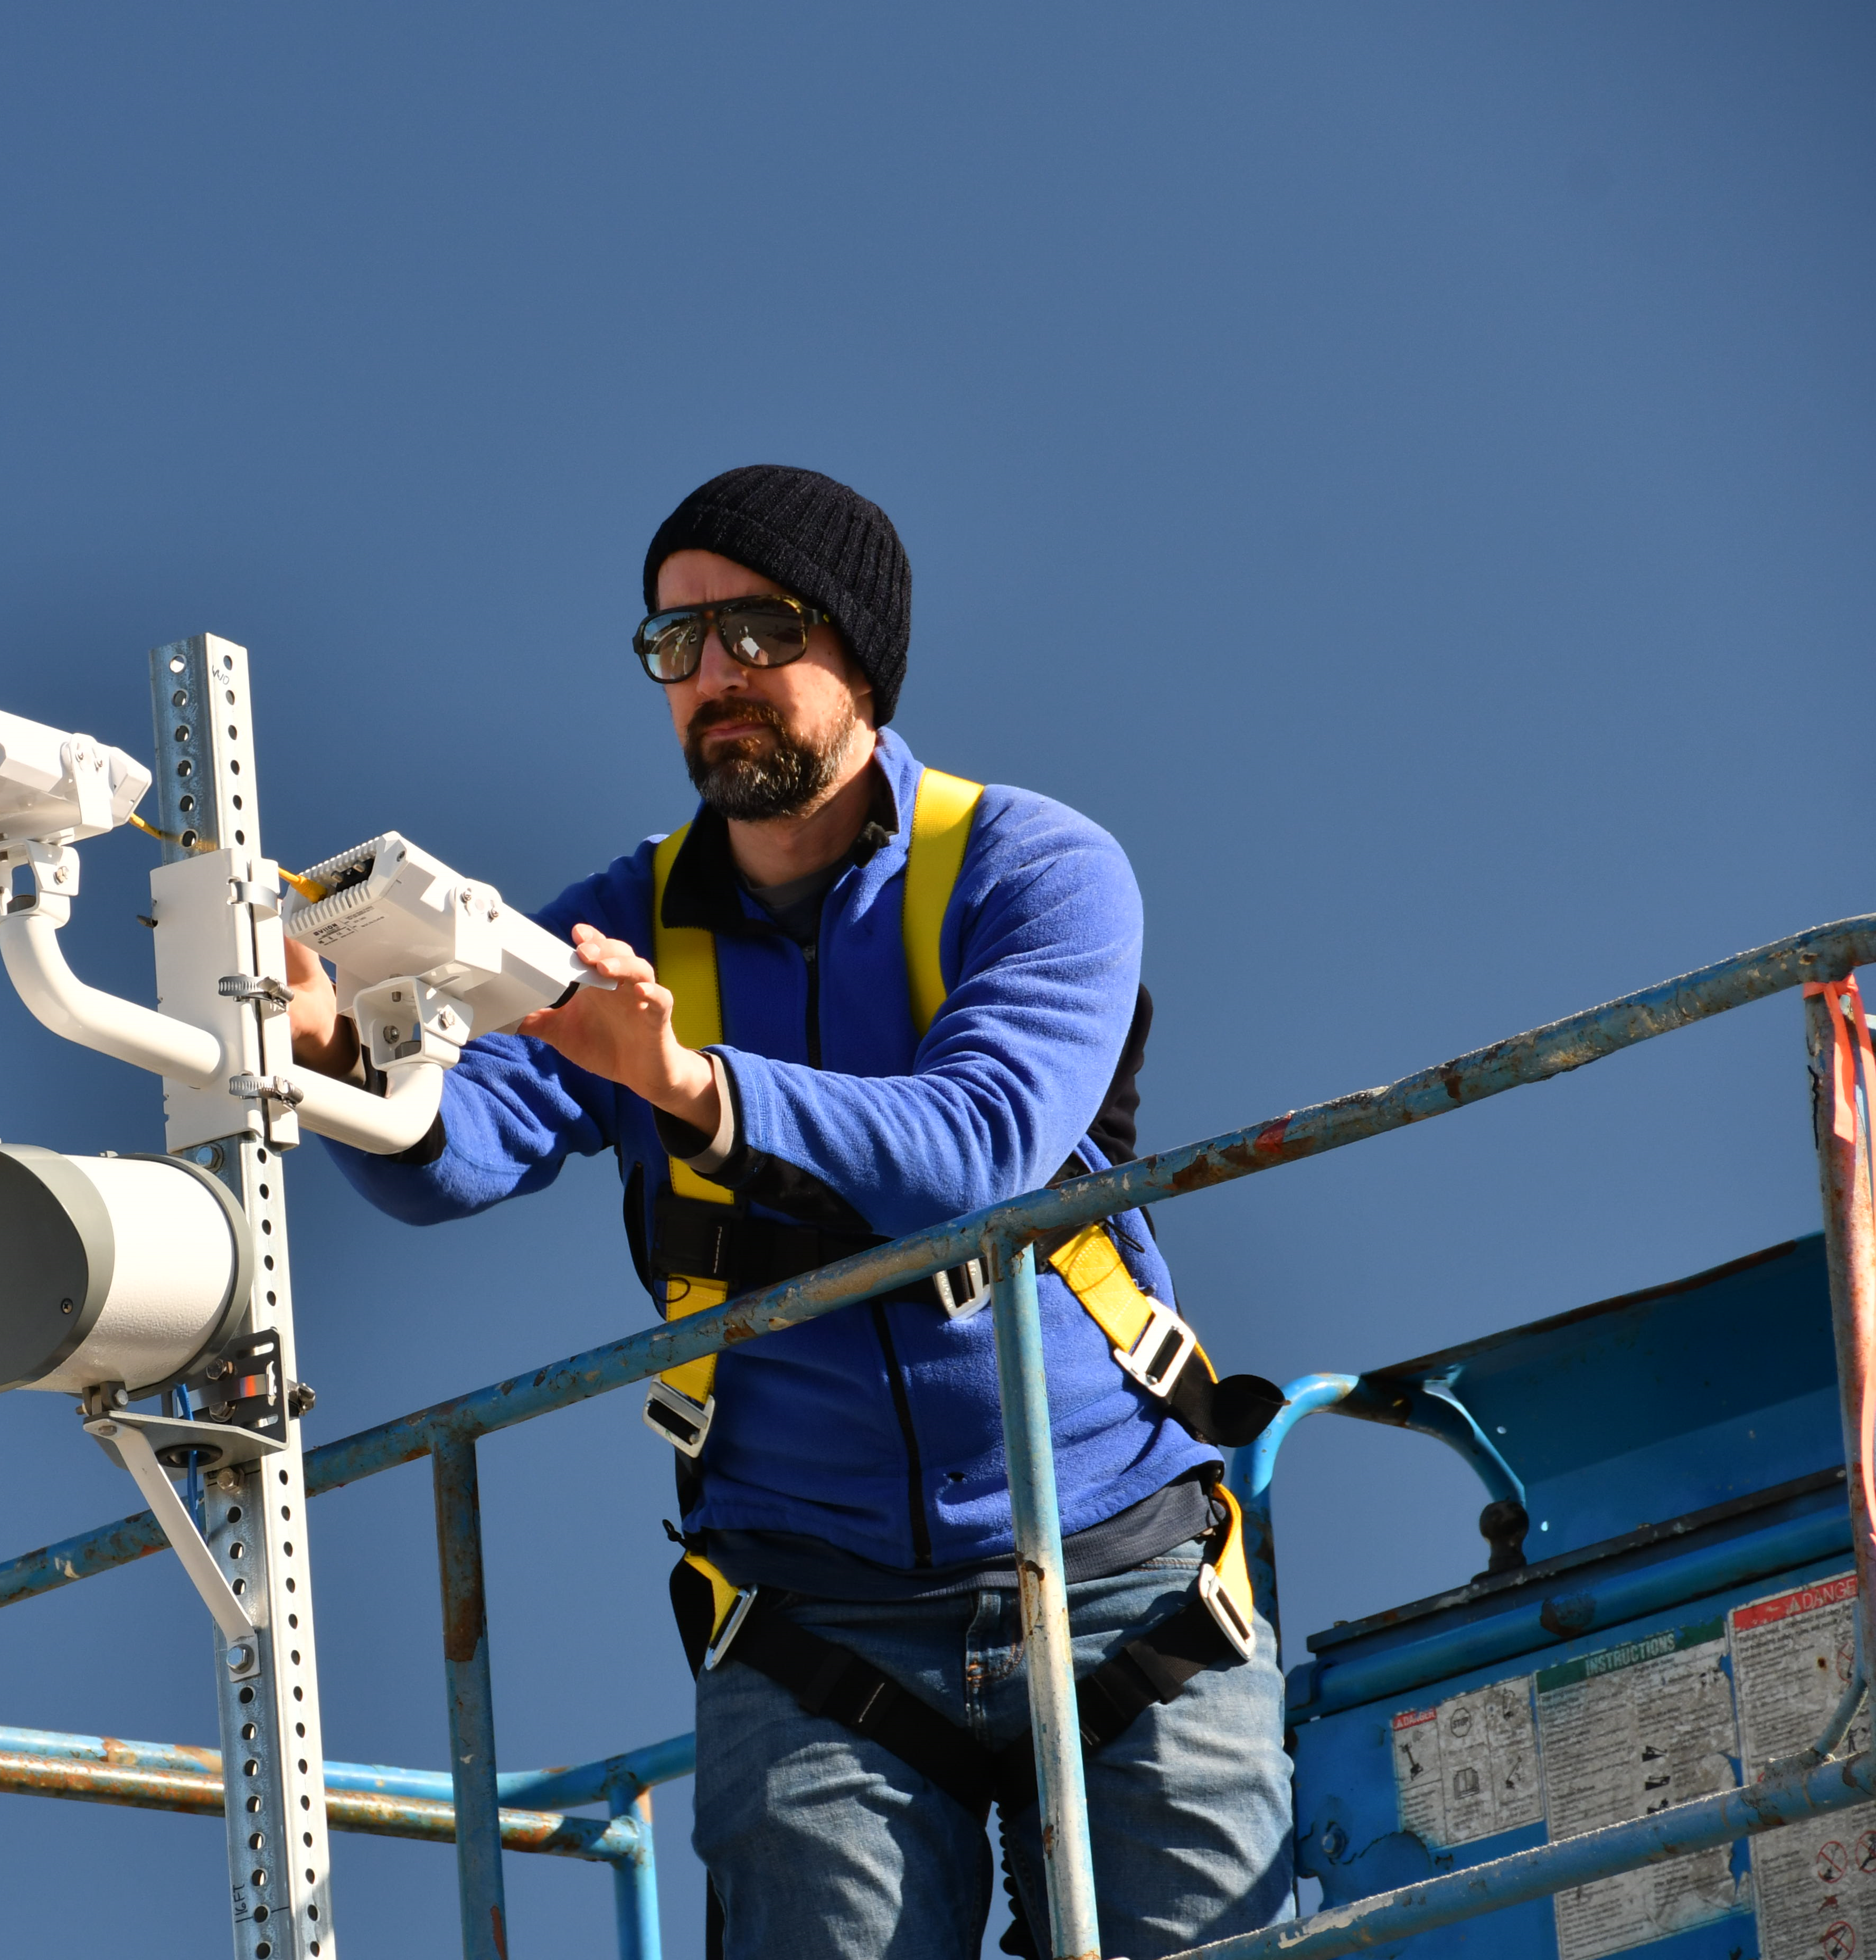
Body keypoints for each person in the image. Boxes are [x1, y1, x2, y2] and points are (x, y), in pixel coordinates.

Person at [281, 465, 1292, 1959]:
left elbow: (986, 1143)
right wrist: (336, 1060)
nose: (714, 677)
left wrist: (694, 1086)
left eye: (756, 632)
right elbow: (453, 1158)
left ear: (861, 661)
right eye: (676, 645)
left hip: (1125, 1578)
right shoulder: (620, 932)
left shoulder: (1032, 870)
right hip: (813, 1617)